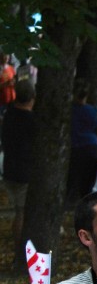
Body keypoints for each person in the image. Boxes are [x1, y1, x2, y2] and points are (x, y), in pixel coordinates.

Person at [0, 79, 35, 268]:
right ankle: (19, 251)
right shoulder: (30, 120)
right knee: (20, 213)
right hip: (22, 171)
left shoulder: (9, 115)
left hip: (10, 169)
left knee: (19, 210)